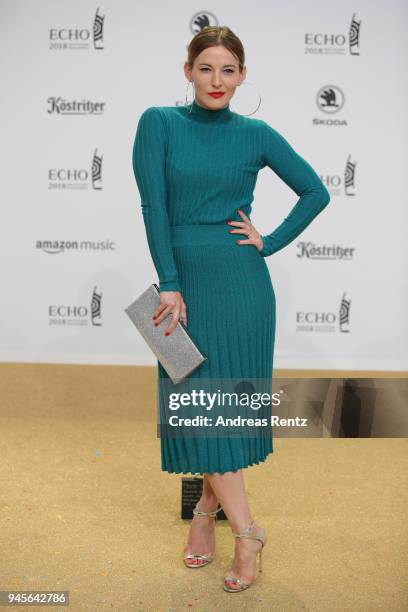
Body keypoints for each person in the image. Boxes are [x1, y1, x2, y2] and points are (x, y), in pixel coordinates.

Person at [132, 25, 330, 593]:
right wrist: (169, 282)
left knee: (226, 416)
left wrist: (269, 240)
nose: (217, 80)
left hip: (243, 288)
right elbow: (153, 206)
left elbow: (315, 191)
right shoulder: (159, 123)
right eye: (206, 68)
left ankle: (228, 527)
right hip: (183, 285)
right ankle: (233, 526)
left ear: (243, 75)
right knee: (202, 410)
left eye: (228, 70)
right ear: (188, 71)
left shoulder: (256, 133)